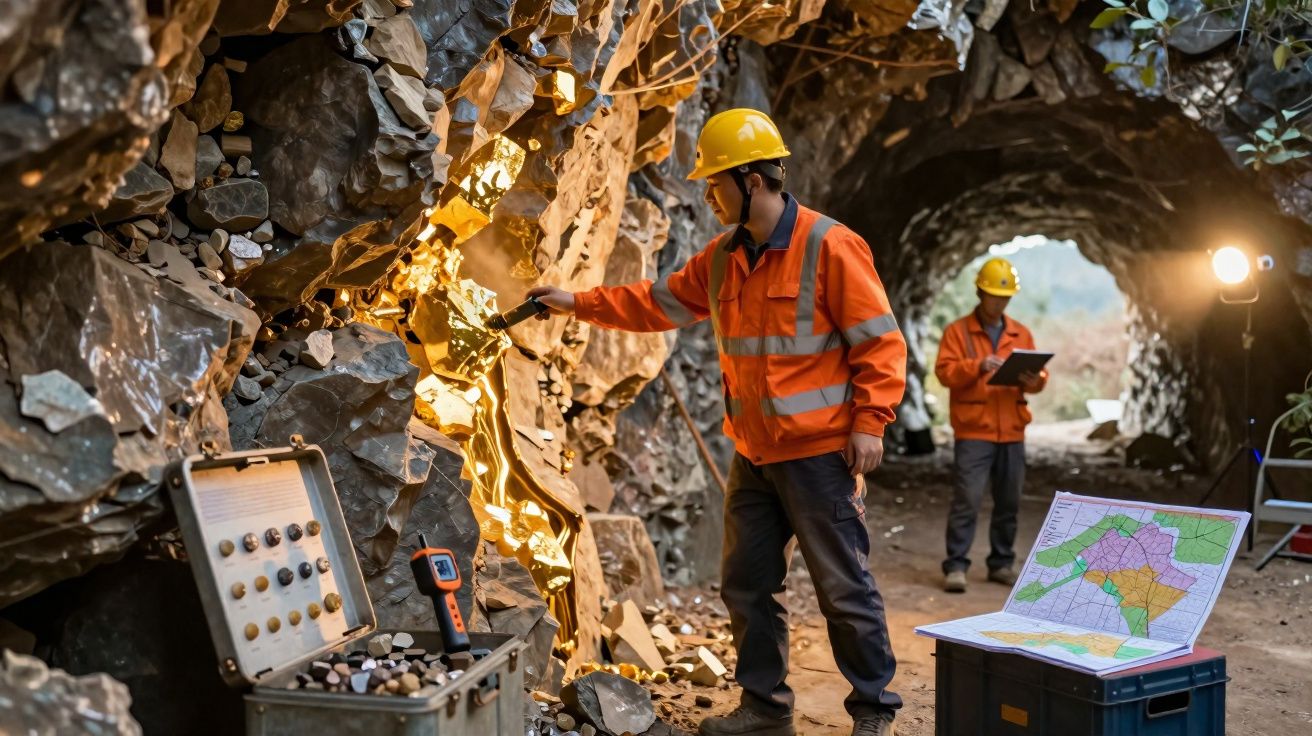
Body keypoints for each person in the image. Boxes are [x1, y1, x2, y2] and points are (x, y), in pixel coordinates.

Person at [528, 109, 906, 736]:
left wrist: (871, 421)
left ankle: (874, 711)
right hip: (754, 457)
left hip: (819, 456)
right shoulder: (723, 259)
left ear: (752, 181)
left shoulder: (829, 245)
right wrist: (575, 303)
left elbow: (880, 344)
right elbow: (655, 303)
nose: (706, 194)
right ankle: (764, 709)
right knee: (747, 586)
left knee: (843, 589)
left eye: (714, 183)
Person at [933, 257, 1047, 593]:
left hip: (1011, 430)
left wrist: (1033, 379)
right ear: (980, 294)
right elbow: (944, 372)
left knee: (1008, 502)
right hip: (974, 430)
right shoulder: (957, 332)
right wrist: (978, 365)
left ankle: (1001, 563)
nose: (1000, 303)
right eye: (995, 296)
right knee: (966, 499)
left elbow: (1040, 379)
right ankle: (956, 566)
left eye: (1006, 298)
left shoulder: (1020, 333)